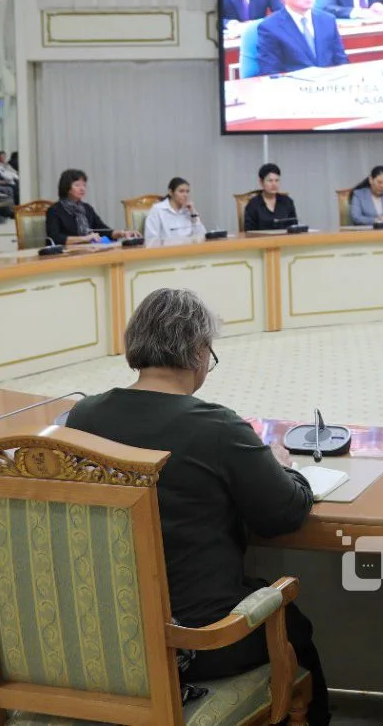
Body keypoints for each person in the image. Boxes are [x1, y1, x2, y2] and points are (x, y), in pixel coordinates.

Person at [64, 288, 330, 725]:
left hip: (105, 634)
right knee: (294, 626)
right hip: (199, 640)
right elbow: (283, 513)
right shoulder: (217, 427)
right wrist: (288, 470)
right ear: (199, 352)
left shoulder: (83, 418)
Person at [257, 0, 349, 75]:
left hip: (328, 82)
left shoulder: (328, 20)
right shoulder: (270, 27)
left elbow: (341, 60)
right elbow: (270, 72)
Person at [45, 168, 140, 246]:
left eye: (84, 185)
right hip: (66, 254)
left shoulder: (87, 208)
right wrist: (84, 238)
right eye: (77, 185)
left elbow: (103, 230)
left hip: (88, 250)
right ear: (66, 188)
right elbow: (55, 238)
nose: (82, 189)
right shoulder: (54, 210)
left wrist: (122, 233)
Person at [144, 177, 207, 246]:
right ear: (171, 192)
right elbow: (151, 241)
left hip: (189, 249)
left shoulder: (189, 209)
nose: (185, 195)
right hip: (168, 250)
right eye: (181, 191)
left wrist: (193, 214)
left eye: (187, 191)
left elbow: (202, 236)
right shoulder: (158, 210)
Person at [244, 163, 298, 232]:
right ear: (261, 182)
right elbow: (249, 231)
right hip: (261, 239)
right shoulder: (253, 204)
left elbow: (294, 227)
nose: (274, 184)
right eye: (270, 181)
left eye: (277, 180)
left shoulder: (287, 202)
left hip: (284, 238)